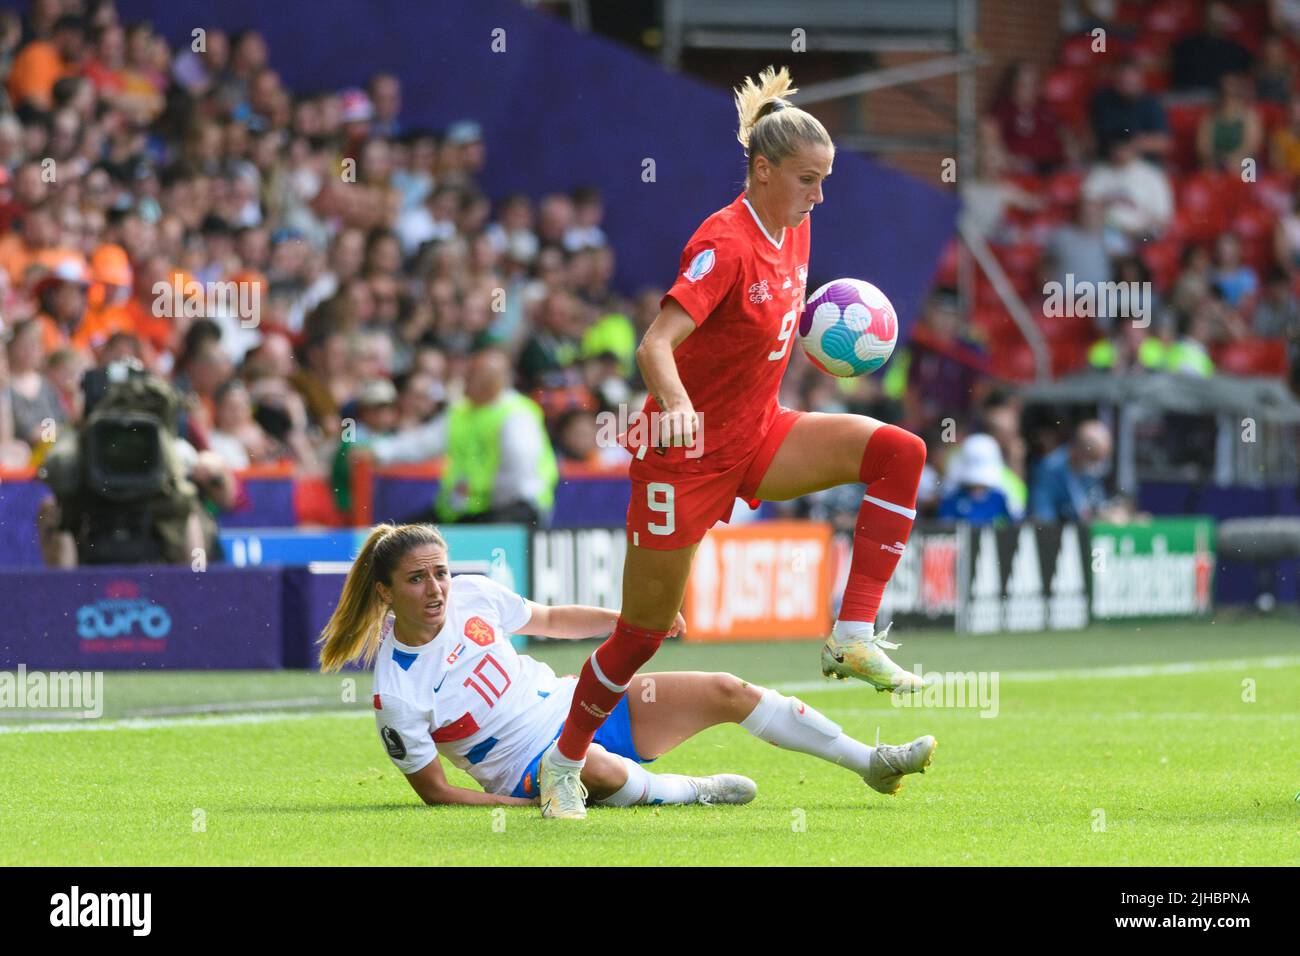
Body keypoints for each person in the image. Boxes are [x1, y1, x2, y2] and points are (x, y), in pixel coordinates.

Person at [538, 66, 932, 819]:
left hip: (758, 435)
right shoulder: (723, 243)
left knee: (900, 451)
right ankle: (564, 763)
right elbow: (656, 345)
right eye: (808, 179)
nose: (820, 195)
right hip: (681, 461)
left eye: (825, 180)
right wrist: (677, 403)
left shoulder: (798, 223)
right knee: (641, 638)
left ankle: (851, 636)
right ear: (762, 170)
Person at [317, 523, 937, 810]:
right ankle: (694, 793)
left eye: (440, 572)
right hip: (529, 768)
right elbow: (437, 795)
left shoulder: (476, 593)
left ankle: (871, 765)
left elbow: (553, 620)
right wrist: (523, 807)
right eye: (417, 578)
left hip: (576, 706)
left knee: (726, 688)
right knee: (592, 765)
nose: (436, 588)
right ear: (383, 592)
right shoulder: (396, 690)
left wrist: (631, 622)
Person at [1028, 419, 1112, 523]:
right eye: (1093, 459)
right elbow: (1043, 517)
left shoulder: (1091, 473)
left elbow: (1097, 504)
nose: (1097, 466)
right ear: (1077, 449)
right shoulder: (1049, 471)